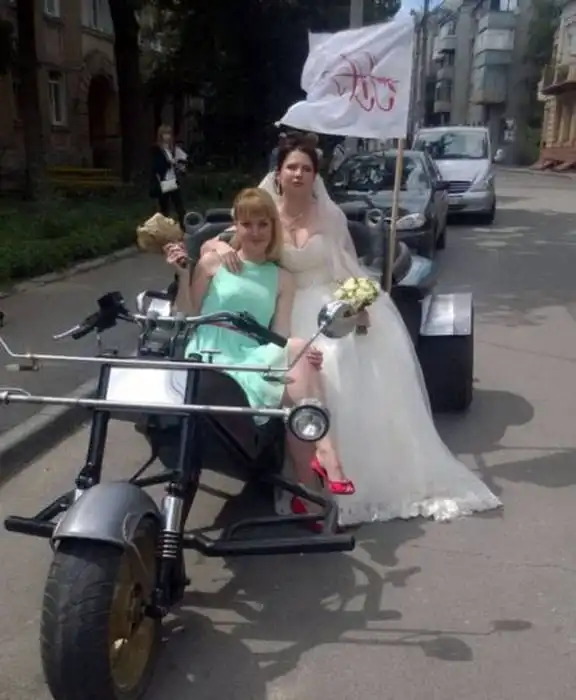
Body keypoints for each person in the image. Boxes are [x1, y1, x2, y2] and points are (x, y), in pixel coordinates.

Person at [199, 140, 502, 526]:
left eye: (306, 168)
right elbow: (228, 238)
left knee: (338, 355)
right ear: (279, 173)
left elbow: (346, 265)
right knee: (298, 361)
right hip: (281, 303)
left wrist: (356, 306)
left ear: (315, 175)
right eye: (292, 167)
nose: (298, 174)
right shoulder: (265, 213)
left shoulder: (330, 215)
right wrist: (215, 246)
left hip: (326, 298)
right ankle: (304, 464)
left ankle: (346, 469)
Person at [164, 187, 355, 509]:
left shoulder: (282, 278)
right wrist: (183, 275)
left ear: (272, 228)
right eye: (247, 224)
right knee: (297, 380)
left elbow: (279, 334)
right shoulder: (212, 263)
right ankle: (323, 462)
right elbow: (187, 315)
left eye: (263, 224)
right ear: (236, 227)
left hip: (252, 354)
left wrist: (297, 354)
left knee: (299, 362)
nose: (255, 232)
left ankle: (308, 486)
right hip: (210, 351)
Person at [150, 124, 187, 230]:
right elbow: (156, 166)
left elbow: (179, 162)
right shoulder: (157, 149)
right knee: (164, 208)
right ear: (160, 135)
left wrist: (179, 165)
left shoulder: (173, 149)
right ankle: (164, 229)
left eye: (169, 134)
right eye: (165, 134)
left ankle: (183, 227)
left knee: (180, 207)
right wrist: (169, 162)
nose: (167, 136)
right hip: (163, 181)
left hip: (173, 180)